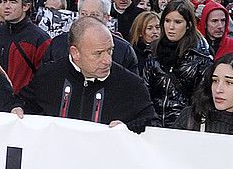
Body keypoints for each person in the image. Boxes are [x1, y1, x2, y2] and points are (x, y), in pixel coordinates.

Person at [14, 17, 156, 131]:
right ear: (75, 53)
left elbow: (153, 124)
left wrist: (129, 129)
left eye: (110, 51)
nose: (107, 60)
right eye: (98, 53)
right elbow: (23, 103)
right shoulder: (49, 76)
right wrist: (16, 108)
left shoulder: (130, 84)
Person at [143, 0, 215, 129]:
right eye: (167, 21)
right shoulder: (153, 51)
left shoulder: (201, 57)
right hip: (153, 127)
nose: (171, 27)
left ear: (188, 25)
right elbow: (144, 92)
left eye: (178, 22)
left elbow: (203, 100)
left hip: (185, 129)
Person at [0, 0, 49, 92]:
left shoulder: (39, 38)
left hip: (25, 104)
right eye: (4, 1)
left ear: (26, 6)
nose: (7, 6)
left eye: (13, 2)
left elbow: (44, 78)